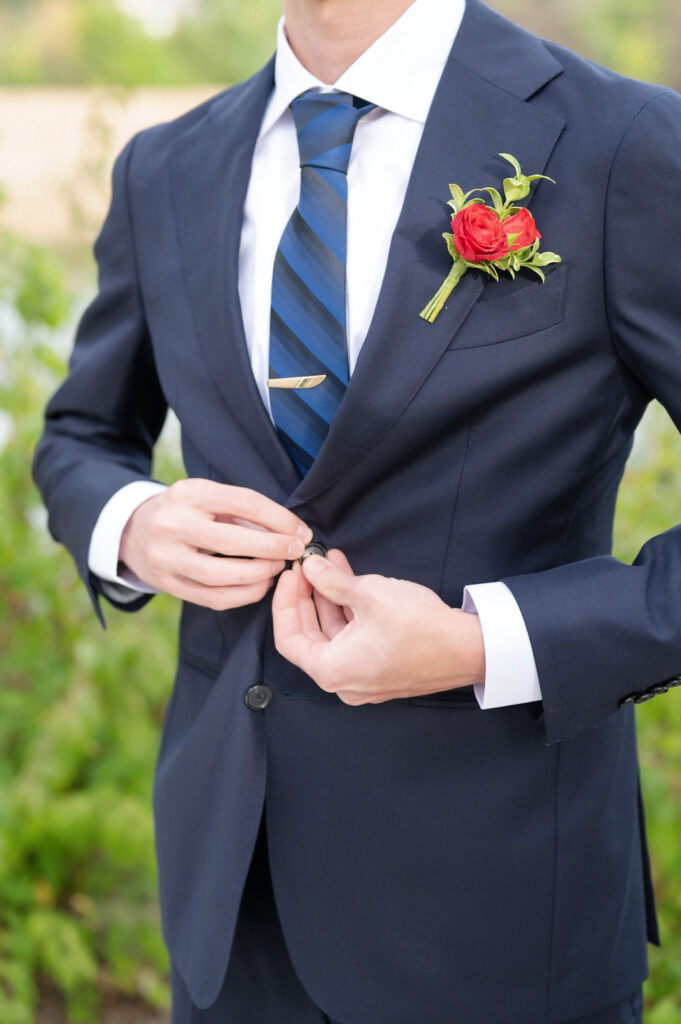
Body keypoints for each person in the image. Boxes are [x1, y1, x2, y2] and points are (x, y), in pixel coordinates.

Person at [32, 0, 681, 1020]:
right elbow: (80, 438)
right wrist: (131, 524)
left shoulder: (621, 142)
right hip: (233, 904)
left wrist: (484, 642)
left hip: (502, 915)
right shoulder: (165, 169)